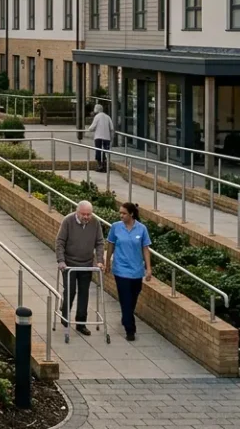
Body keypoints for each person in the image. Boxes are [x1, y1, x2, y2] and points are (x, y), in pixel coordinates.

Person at [55, 201, 105, 336]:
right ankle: (65, 313)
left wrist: (100, 261)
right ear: (77, 212)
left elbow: (100, 243)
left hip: (86, 264)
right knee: (70, 291)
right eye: (84, 214)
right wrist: (61, 261)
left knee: (84, 292)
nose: (87, 217)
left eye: (89, 214)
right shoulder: (68, 221)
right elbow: (60, 242)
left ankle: (81, 323)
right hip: (70, 263)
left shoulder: (95, 223)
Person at [107, 202, 152, 341]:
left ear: (131, 214)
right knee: (125, 298)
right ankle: (130, 329)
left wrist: (148, 268)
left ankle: (126, 316)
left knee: (133, 298)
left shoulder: (141, 229)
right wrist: (108, 261)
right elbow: (110, 244)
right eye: (120, 213)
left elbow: (145, 248)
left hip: (136, 270)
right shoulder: (116, 227)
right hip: (121, 269)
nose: (121, 215)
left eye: (124, 213)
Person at [88, 104, 114, 172]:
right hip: (107, 137)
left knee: (98, 150)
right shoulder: (108, 117)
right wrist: (111, 138)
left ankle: (100, 165)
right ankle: (105, 165)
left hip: (98, 137)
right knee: (105, 151)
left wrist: (89, 129)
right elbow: (112, 128)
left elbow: (92, 127)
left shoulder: (97, 117)